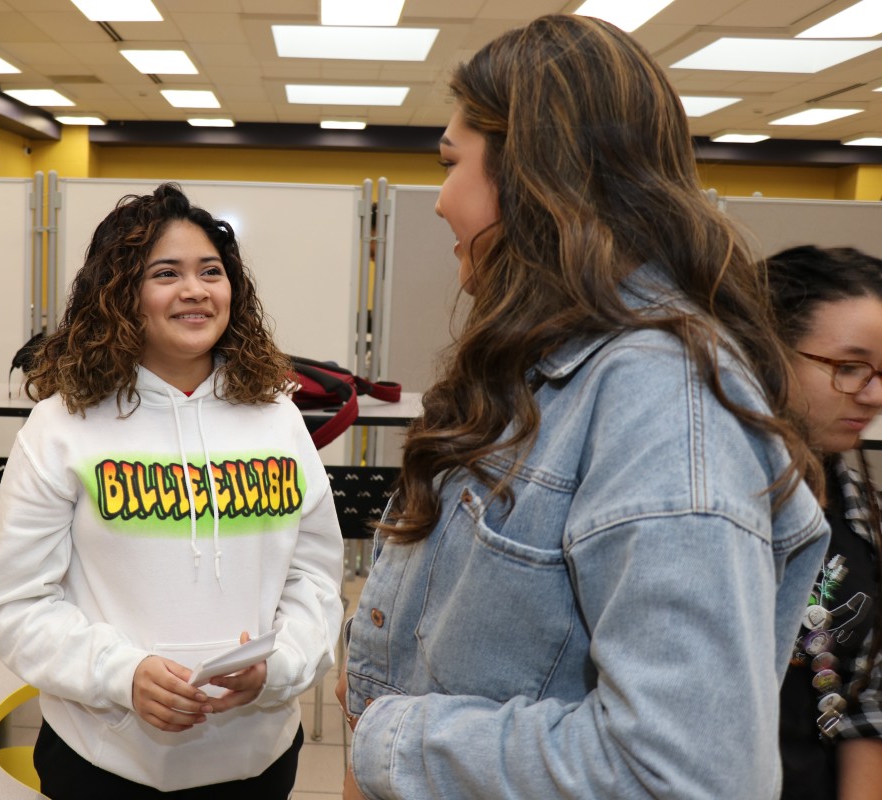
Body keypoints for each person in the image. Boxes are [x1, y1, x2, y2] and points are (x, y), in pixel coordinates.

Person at [335, 14, 830, 799]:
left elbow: (684, 771)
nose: (438, 202)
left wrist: (398, 738)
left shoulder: (663, 400)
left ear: (533, 177)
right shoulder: (542, 363)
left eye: (451, 162)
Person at [0, 182, 343, 798]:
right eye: (166, 273)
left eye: (211, 272)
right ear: (122, 295)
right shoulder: (64, 423)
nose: (195, 290)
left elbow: (315, 579)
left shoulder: (276, 417)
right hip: (104, 762)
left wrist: (279, 667)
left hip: (258, 757)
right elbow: (12, 604)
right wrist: (124, 675)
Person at [766, 245, 882, 800]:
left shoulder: (860, 506)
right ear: (766, 352)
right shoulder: (705, 503)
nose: (874, 395)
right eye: (849, 368)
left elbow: (868, 697)